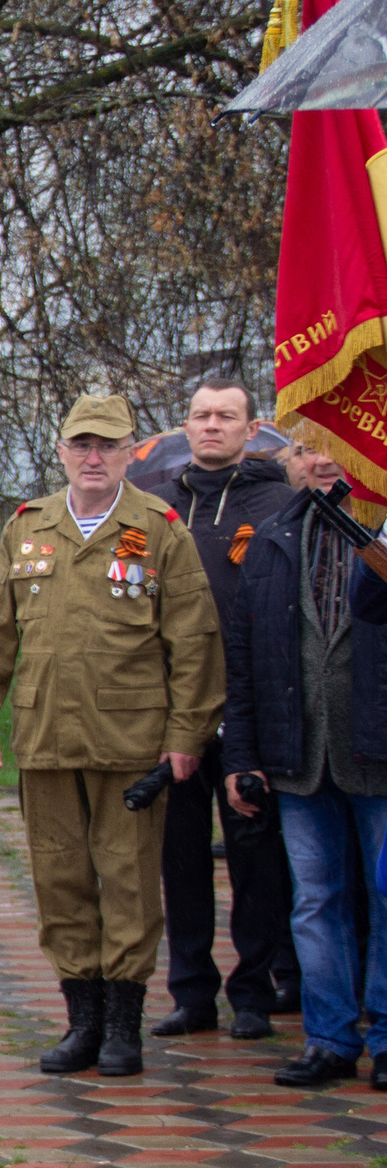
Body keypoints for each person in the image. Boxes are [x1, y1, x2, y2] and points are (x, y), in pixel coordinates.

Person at [0, 394, 223, 1079]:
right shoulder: (27, 526)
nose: (94, 457)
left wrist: (187, 732)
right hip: (46, 737)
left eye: (107, 444)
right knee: (60, 880)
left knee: (130, 882)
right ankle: (82, 1020)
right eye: (82, 444)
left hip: (130, 740)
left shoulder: (159, 527)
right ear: (62, 450)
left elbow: (193, 638)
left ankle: (122, 1026)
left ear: (130, 449)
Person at [135, 378, 301, 1039]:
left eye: (225, 416)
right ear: (185, 424)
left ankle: (253, 991)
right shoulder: (152, 505)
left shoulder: (278, 501)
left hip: (247, 702)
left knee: (255, 855)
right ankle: (191, 991)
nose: (212, 426)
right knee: (179, 854)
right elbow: (129, 589)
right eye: (201, 415)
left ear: (249, 427)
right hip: (171, 703)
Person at [229, 436, 387, 1087]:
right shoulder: (268, 540)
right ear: (286, 463)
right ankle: (328, 1037)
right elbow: (244, 662)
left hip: (376, 753)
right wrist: (243, 754)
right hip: (298, 756)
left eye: (336, 446)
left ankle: (384, 1033)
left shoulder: (383, 535)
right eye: (304, 447)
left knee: (385, 895)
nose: (321, 459)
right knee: (315, 902)